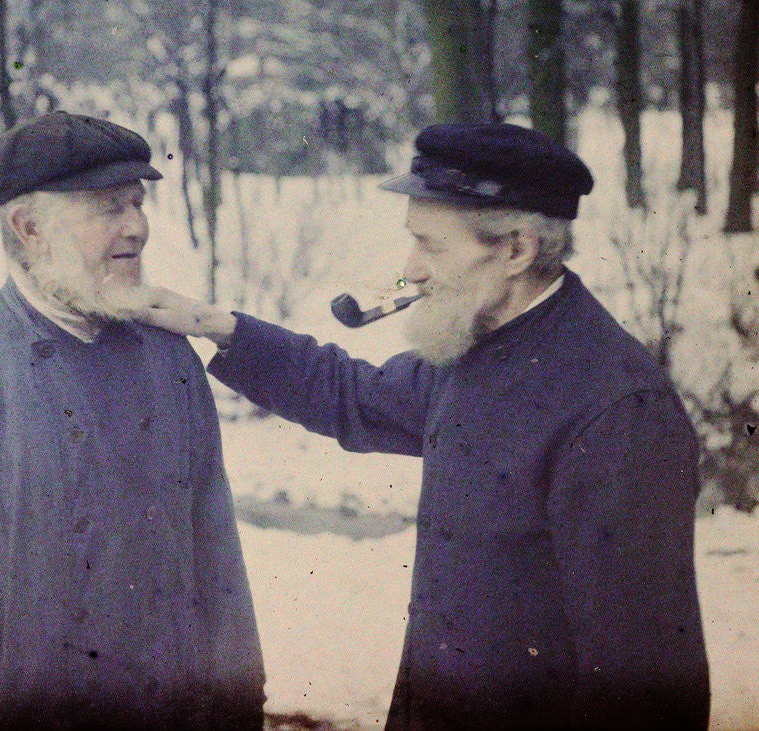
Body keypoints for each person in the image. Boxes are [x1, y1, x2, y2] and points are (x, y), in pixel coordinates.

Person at [132, 123, 710, 730]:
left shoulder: (617, 410)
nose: (411, 268)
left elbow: (647, 683)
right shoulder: (477, 345)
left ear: (515, 250)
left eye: (430, 246)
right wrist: (219, 327)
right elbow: (353, 395)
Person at [0, 111, 265, 730]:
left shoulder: (170, 358)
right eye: (108, 207)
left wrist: (238, 715)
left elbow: (218, 567)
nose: (138, 228)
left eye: (138, 203)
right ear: (28, 226)